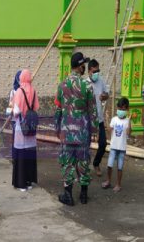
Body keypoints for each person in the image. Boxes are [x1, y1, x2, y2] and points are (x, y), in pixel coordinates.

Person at [54, 52, 99, 206]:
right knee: (83, 162)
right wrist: (94, 132)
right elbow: (92, 110)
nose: (84, 67)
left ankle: (68, 195)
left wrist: (57, 129)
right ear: (80, 66)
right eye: (84, 64)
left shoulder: (62, 85)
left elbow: (58, 109)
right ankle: (84, 195)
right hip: (83, 133)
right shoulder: (87, 85)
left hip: (67, 133)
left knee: (67, 163)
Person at [12, 69, 39, 191]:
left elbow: (16, 111)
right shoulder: (33, 91)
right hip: (31, 126)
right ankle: (29, 181)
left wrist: (14, 112)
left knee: (21, 153)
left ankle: (21, 183)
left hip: (21, 128)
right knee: (29, 153)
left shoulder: (19, 91)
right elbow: (36, 107)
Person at [102, 97, 131, 193]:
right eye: (120, 109)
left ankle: (118, 184)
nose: (121, 111)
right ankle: (108, 181)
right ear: (117, 108)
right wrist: (106, 120)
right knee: (109, 165)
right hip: (113, 147)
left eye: (124, 109)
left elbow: (128, 133)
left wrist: (130, 121)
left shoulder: (127, 121)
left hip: (122, 148)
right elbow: (110, 130)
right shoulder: (114, 119)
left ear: (127, 110)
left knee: (120, 167)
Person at [86, 59, 109, 176]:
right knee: (85, 144)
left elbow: (107, 94)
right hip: (88, 121)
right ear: (89, 71)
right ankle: (83, 167)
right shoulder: (84, 83)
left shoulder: (101, 81)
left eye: (98, 71)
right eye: (95, 71)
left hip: (99, 119)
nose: (97, 73)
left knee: (103, 144)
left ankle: (96, 163)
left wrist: (104, 96)